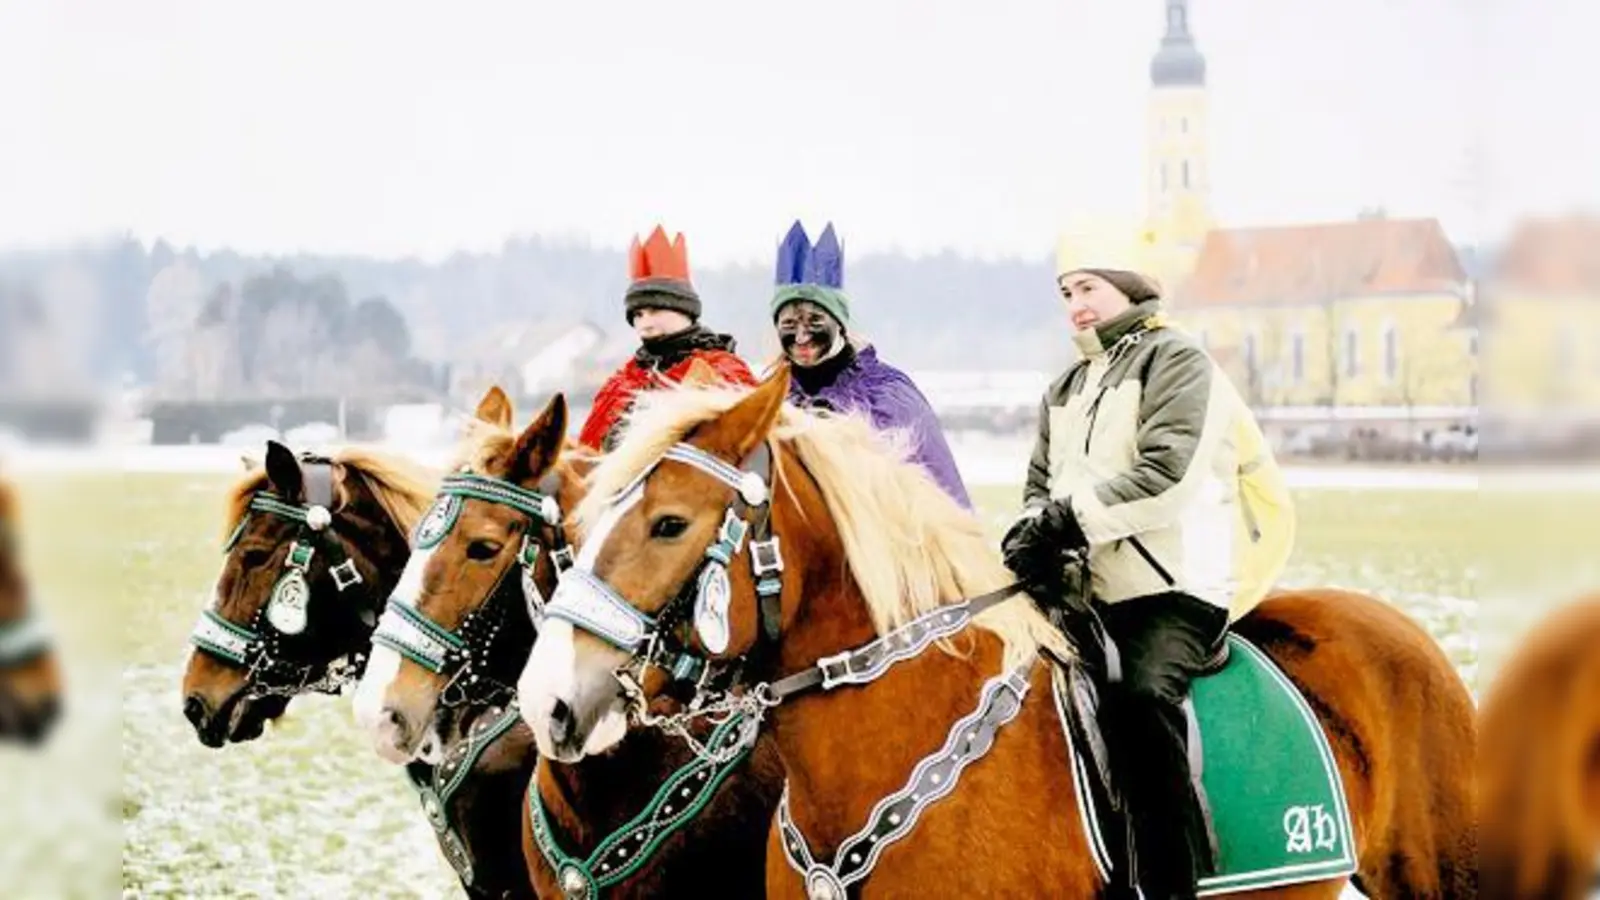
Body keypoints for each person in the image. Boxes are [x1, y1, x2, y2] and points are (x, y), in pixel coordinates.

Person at [1000, 228, 1295, 898]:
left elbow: (1167, 476)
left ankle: (1169, 882)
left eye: (1089, 289)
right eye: (1066, 292)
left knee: (1138, 702)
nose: (1075, 305)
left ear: (1132, 286)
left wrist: (1066, 521)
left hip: (1172, 592)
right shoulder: (1067, 386)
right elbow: (1037, 487)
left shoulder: (1180, 361)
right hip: (1084, 594)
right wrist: (1027, 535)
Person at [769, 220, 972, 509]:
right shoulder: (773, 398)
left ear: (839, 324)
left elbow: (939, 498)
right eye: (789, 323)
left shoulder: (888, 397)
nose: (801, 336)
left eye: (815, 321)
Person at [578, 226, 757, 451]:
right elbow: (585, 459)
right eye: (638, 315)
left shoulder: (725, 371)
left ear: (685, 311)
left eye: (655, 311)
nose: (645, 324)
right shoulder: (620, 383)